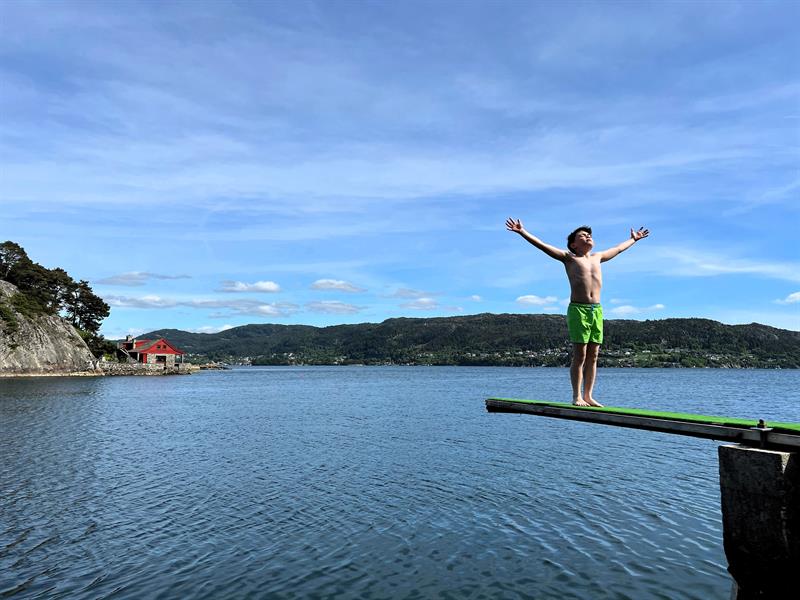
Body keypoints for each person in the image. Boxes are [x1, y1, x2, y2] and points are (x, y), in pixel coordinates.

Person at [505, 218, 650, 407]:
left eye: (589, 235)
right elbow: (542, 245)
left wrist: (634, 239)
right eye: (582, 235)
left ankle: (588, 395)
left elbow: (619, 248)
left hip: (596, 310)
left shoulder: (599, 257)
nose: (588, 236)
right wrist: (522, 232)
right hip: (578, 310)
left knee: (594, 355)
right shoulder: (569, 258)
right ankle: (577, 396)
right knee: (580, 355)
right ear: (574, 244)